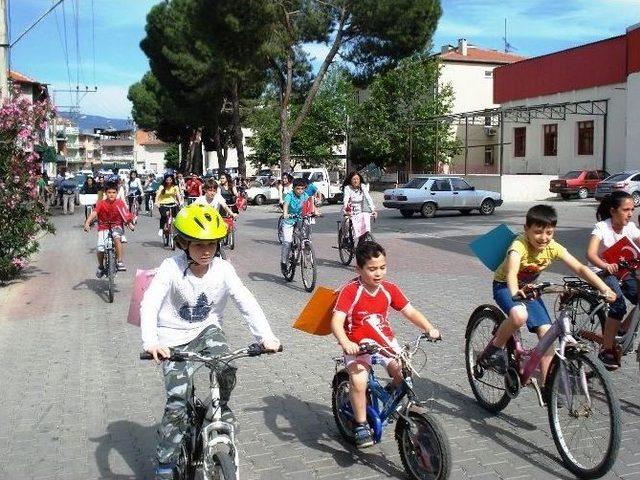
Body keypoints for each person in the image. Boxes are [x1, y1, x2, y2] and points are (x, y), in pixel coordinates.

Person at [140, 203, 280, 479]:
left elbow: (245, 300)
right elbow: (150, 302)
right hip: (172, 339)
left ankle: (220, 407)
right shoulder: (170, 268)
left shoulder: (223, 269)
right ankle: (166, 460)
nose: (206, 251)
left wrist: (265, 337)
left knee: (227, 367)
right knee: (178, 402)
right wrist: (151, 342)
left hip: (207, 331)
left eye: (212, 244)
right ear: (183, 243)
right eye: (198, 245)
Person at [481, 204, 616, 384]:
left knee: (547, 336)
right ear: (526, 229)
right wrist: (516, 294)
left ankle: (548, 386)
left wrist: (604, 288)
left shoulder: (553, 247)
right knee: (519, 315)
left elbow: (580, 268)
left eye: (549, 232)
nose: (544, 238)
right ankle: (494, 351)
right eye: (538, 232)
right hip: (505, 286)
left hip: (530, 289)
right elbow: (512, 273)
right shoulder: (518, 246)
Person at [330, 241, 440, 448]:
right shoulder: (351, 291)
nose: (378, 273)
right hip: (358, 346)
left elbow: (410, 311)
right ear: (359, 269)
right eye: (372, 269)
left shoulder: (389, 289)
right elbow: (336, 321)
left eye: (382, 267)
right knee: (359, 381)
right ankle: (361, 423)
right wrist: (346, 343)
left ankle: (389, 394)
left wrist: (428, 328)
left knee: (403, 372)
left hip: (384, 343)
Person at [586, 192, 640, 369]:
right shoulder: (602, 227)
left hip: (622, 270)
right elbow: (591, 254)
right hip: (601, 272)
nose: (630, 213)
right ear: (613, 210)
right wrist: (605, 265)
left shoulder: (630, 227)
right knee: (618, 303)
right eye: (626, 210)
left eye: (632, 209)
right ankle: (606, 348)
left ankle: (623, 328)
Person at [83, 181, 135, 275]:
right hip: (103, 227)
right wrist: (87, 222)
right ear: (105, 193)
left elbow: (125, 215)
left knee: (117, 238)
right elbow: (94, 213)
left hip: (117, 225)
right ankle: (101, 266)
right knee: (100, 248)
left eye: (114, 192)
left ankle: (120, 261)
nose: (111, 194)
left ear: (117, 193)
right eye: (109, 192)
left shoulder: (120, 203)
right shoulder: (101, 203)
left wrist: (129, 223)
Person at [280, 178, 318, 274]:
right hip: (289, 220)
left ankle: (305, 255)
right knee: (287, 242)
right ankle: (284, 262)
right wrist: (285, 214)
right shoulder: (289, 195)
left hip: (300, 219)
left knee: (305, 237)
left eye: (302, 188)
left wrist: (314, 212)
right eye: (298, 188)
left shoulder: (305, 195)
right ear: (293, 188)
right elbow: (286, 205)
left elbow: (310, 205)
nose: (300, 191)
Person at [342, 171, 377, 244]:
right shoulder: (347, 188)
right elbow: (346, 199)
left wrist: (373, 210)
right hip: (349, 210)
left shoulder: (363, 187)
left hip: (360, 211)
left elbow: (368, 198)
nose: (356, 181)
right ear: (350, 180)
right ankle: (346, 238)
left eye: (357, 179)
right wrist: (346, 209)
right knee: (346, 221)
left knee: (365, 221)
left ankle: (361, 240)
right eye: (354, 179)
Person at [155, 173, 182, 237]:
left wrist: (180, 202)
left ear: (172, 180)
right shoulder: (162, 186)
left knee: (176, 216)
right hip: (163, 203)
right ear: (165, 180)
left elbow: (178, 195)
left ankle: (176, 229)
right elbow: (158, 195)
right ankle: (161, 229)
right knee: (164, 216)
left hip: (173, 203)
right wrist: (156, 202)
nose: (169, 181)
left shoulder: (175, 186)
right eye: (167, 180)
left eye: (170, 180)